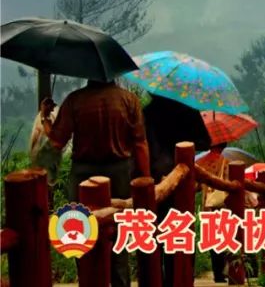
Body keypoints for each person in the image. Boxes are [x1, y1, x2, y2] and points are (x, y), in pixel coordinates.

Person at [40, 80, 150, 287]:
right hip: (120, 174)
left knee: (80, 236)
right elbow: (140, 142)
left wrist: (45, 119)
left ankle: (88, 282)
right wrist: (145, 180)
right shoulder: (129, 100)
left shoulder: (75, 100)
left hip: (83, 174)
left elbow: (57, 141)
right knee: (119, 239)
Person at [143, 96, 211, 285]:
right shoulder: (187, 109)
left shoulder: (146, 112)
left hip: (151, 176)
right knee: (178, 232)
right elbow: (205, 141)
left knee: (151, 235)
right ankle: (178, 279)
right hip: (180, 177)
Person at [196, 144, 230, 284]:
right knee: (221, 239)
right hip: (220, 205)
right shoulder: (225, 161)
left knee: (212, 239)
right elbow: (227, 183)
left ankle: (217, 272)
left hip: (207, 206)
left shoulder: (200, 162)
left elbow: (197, 185)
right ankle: (221, 273)